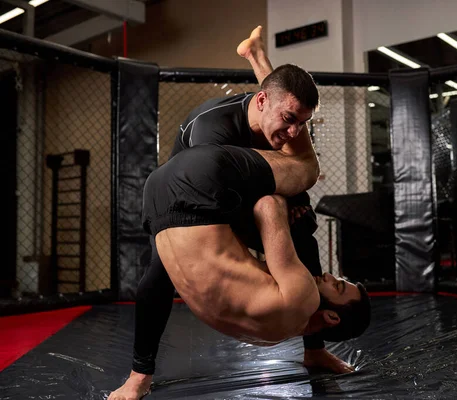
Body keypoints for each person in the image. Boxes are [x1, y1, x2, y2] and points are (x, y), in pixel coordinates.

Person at [108, 27, 367, 400]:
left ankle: (315, 351)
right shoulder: (210, 130)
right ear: (262, 101)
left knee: (303, 233)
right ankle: (139, 374)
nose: (294, 131)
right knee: (159, 274)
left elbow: (276, 195)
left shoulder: (276, 120)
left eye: (302, 123)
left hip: (225, 184)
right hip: (197, 188)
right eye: (289, 118)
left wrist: (290, 219)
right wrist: (274, 221)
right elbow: (237, 204)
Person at [109, 142, 371, 400]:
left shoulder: (304, 296)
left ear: (332, 318)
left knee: (305, 171)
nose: (328, 275)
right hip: (155, 202)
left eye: (337, 286)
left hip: (196, 180)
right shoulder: (268, 336)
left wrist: (291, 209)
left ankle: (139, 374)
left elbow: (267, 205)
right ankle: (314, 351)